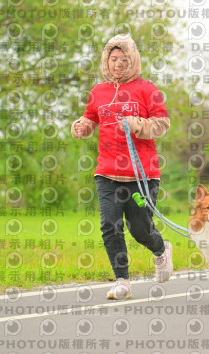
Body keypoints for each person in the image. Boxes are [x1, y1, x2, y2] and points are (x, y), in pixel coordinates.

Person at [71, 34, 173, 300]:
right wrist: (81, 127)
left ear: (133, 60)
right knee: (110, 225)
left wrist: (136, 124)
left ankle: (161, 250)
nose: (118, 64)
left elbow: (162, 124)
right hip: (107, 172)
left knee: (140, 228)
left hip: (142, 174)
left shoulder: (147, 89)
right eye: (113, 59)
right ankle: (122, 281)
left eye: (124, 59)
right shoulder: (98, 92)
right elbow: (90, 119)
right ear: (106, 60)